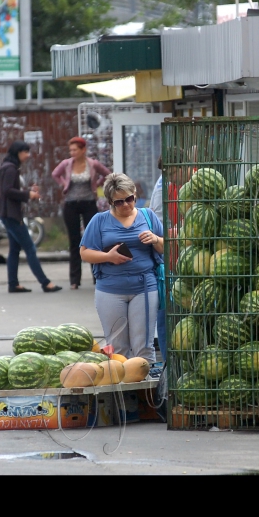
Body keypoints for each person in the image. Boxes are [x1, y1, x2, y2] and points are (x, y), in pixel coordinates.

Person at [79, 173, 164, 362]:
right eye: (119, 202)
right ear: (110, 202)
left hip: (144, 287)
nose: (126, 205)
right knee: (118, 348)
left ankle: (146, 389)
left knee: (143, 346)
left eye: (129, 199)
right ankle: (124, 391)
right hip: (110, 290)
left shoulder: (147, 216)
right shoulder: (99, 221)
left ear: (135, 194)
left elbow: (166, 246)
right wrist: (108, 256)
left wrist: (155, 239)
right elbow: (84, 252)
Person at [0, 141, 62, 294]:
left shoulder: (7, 167)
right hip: (11, 215)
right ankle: (45, 283)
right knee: (30, 248)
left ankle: (13, 284)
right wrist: (28, 194)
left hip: (8, 214)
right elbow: (7, 191)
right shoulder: (11, 169)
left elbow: (10, 190)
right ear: (17, 152)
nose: (28, 155)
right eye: (25, 152)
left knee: (14, 249)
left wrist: (28, 192)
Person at [52, 137, 112, 290]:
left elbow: (107, 174)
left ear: (83, 150)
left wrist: (96, 185)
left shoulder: (92, 164)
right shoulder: (66, 164)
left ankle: (96, 276)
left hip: (89, 204)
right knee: (74, 242)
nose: (72, 152)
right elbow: (55, 174)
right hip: (71, 204)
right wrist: (64, 184)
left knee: (92, 240)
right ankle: (74, 280)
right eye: (70, 150)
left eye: (75, 150)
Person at [149, 152, 188, 361]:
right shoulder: (169, 188)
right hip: (172, 261)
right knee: (164, 316)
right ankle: (168, 365)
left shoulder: (197, 187)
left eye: (173, 172)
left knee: (186, 316)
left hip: (193, 264)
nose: (170, 178)